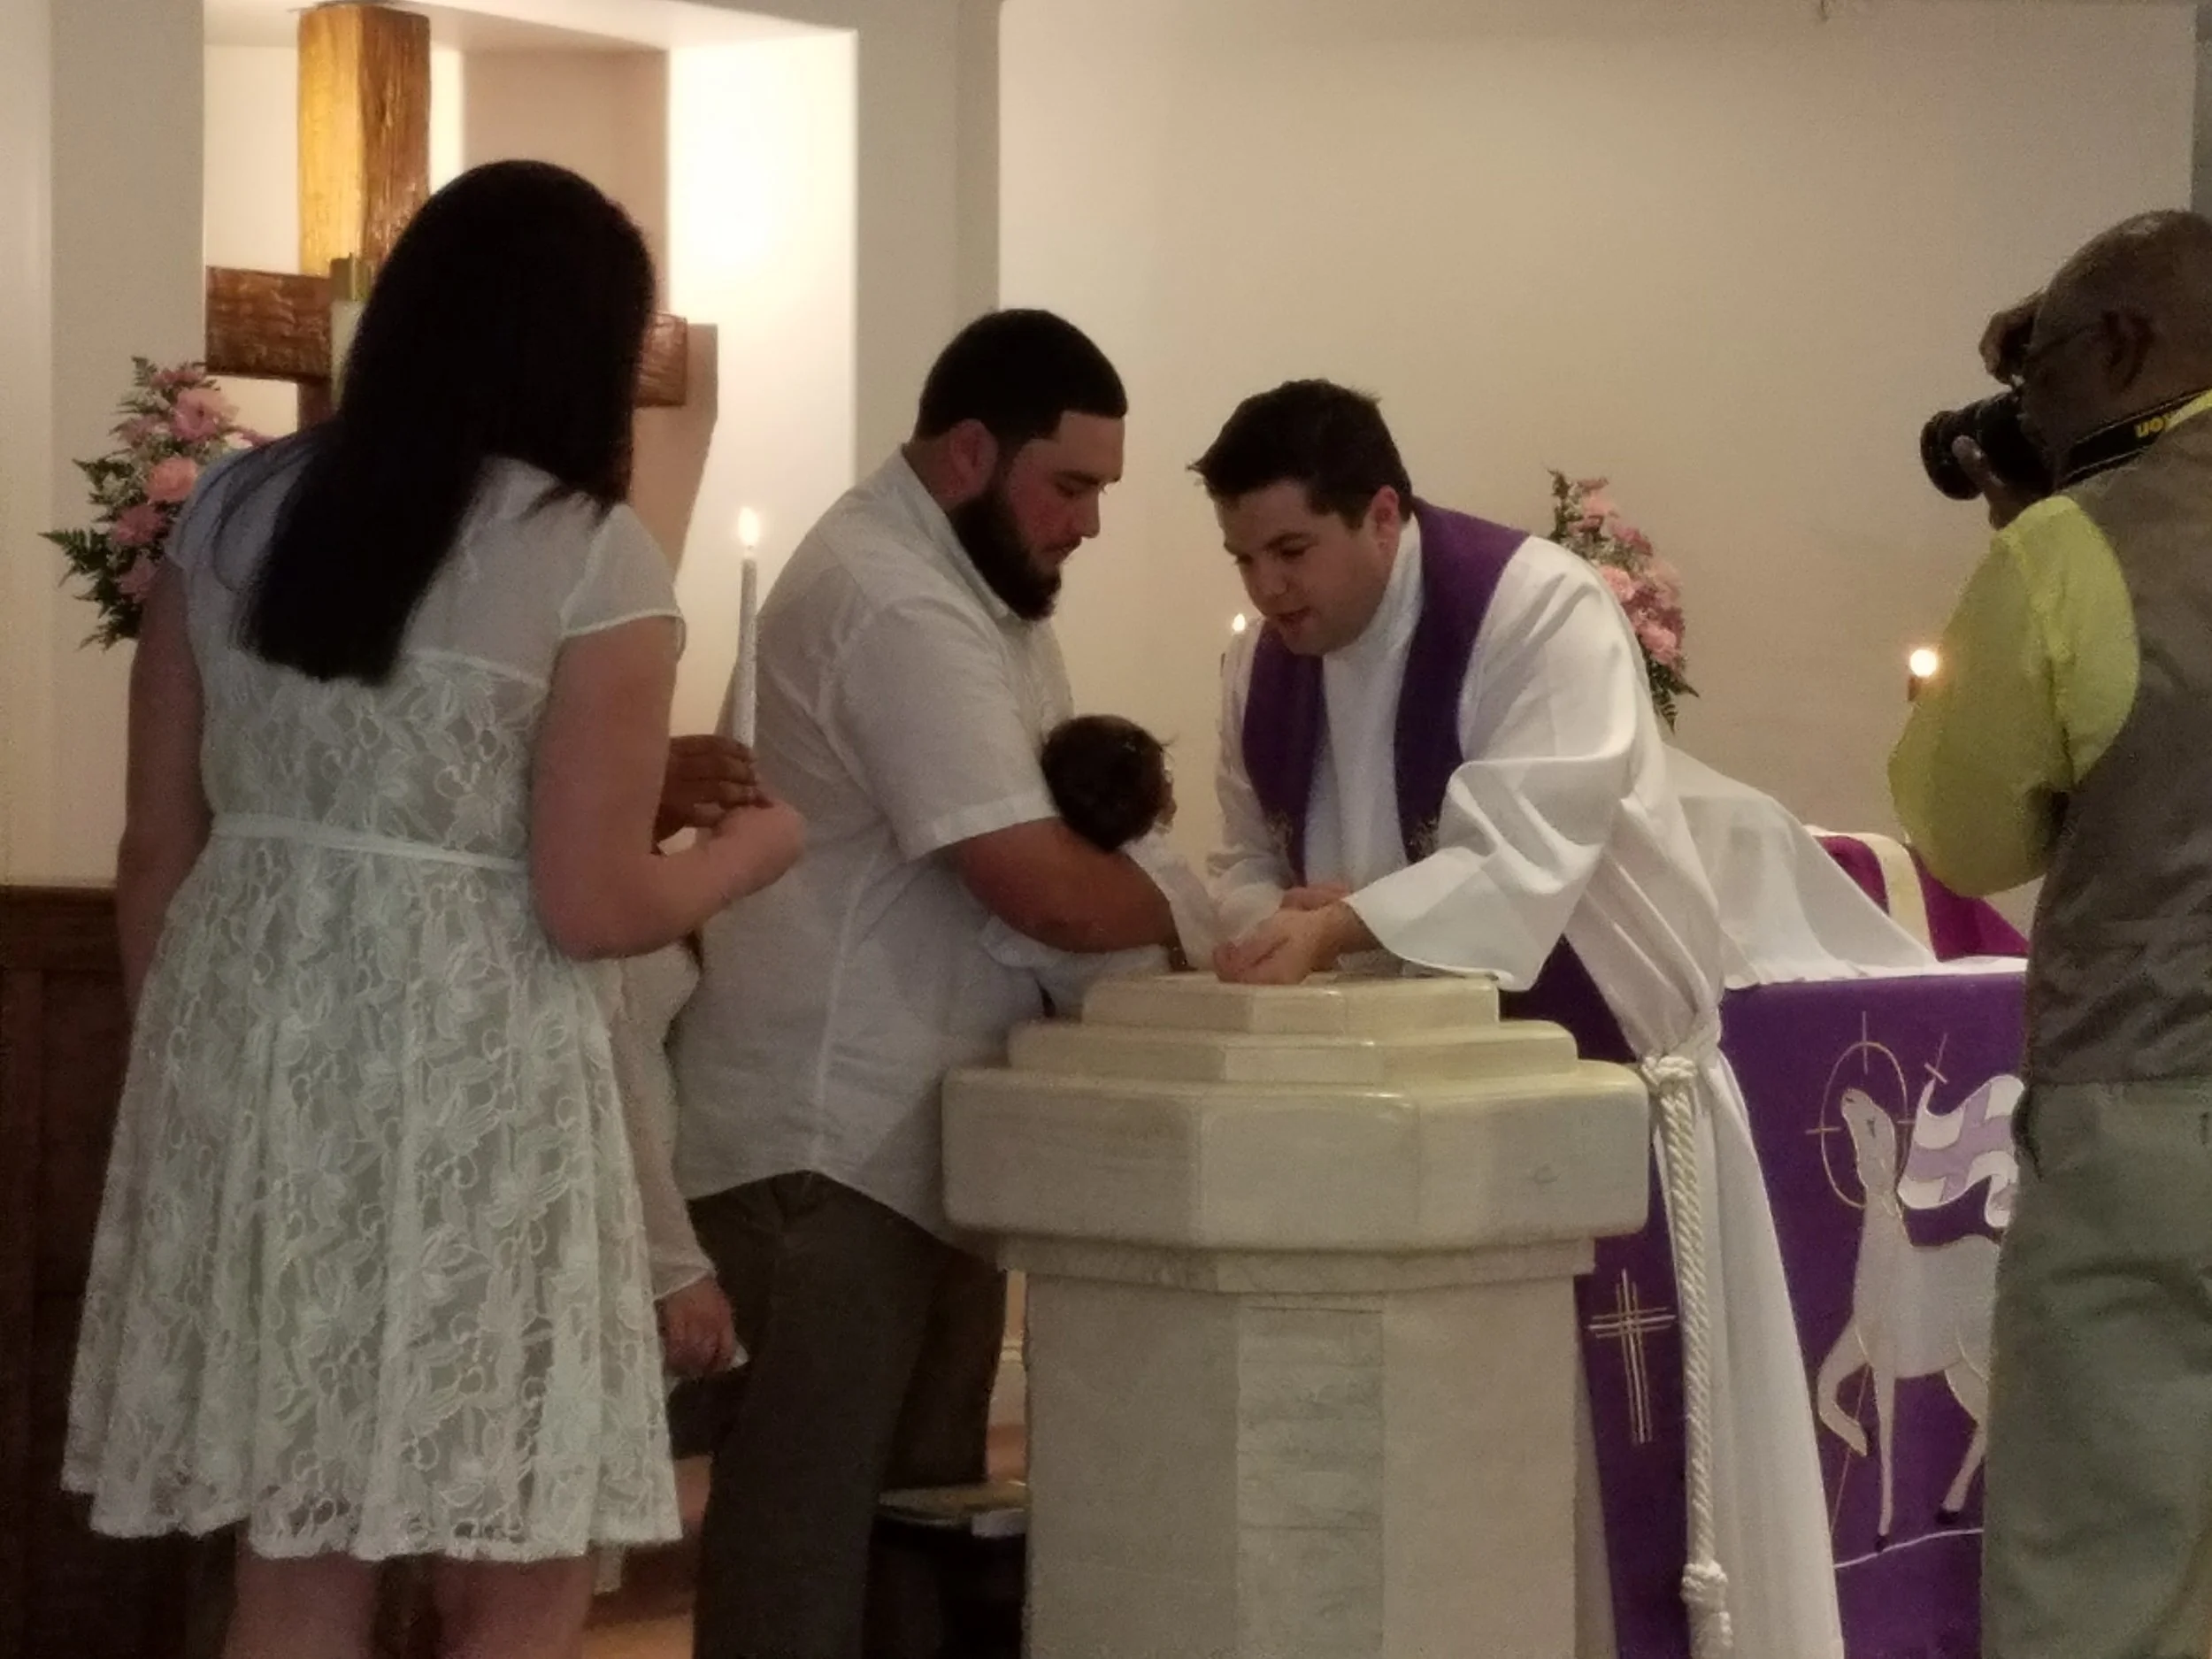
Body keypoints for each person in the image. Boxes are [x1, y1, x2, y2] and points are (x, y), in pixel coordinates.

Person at [64, 159, 804, 1659]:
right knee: (521, 1554)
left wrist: (191, 1076)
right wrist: (759, 850)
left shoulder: (230, 512)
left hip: (254, 1060)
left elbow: (157, 845)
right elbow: (594, 900)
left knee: (301, 1549)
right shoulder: (584, 550)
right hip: (475, 1072)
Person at [1197, 380, 1843, 1659]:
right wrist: (1280, 919)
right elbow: (1241, 858)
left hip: (1598, 1105)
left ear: (1382, 514)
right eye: (1243, 559)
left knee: (1613, 1505)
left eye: (1291, 550)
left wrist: (1348, 920)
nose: (1268, 590)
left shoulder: (1534, 610)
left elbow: (1526, 850)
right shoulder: (1258, 671)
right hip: (1391, 1125)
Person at [671, 309, 1179, 1659]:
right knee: (807, 1555)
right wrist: (1219, 917)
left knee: (920, 1549)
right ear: (969, 451)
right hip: (823, 1145)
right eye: (1070, 484)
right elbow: (1037, 882)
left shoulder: (982, 593)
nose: (1088, 522)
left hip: (919, 1141)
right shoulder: (893, 597)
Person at [1891, 209, 2212, 1659]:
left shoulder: (2076, 549)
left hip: (2151, 1126)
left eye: (2048, 368)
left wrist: (2029, 534)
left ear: (2128, 346)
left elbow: (1966, 837)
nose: (2030, 406)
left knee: (2101, 1580)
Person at [981, 714, 1222, 1010]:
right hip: (1162, 1011)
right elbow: (1206, 941)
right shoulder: (1155, 860)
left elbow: (1007, 942)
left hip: (1080, 1022)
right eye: (1164, 776)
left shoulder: (1057, 864)